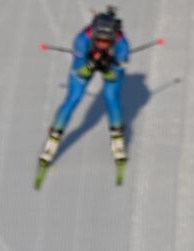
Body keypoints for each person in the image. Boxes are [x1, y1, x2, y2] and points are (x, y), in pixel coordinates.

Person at [39, 6, 130, 169]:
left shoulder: (121, 42)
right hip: (84, 64)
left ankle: (117, 139)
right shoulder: (82, 40)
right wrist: (90, 64)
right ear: (94, 35)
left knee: (111, 97)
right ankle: (53, 138)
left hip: (110, 66)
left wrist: (108, 67)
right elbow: (79, 71)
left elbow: (117, 72)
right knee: (73, 98)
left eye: (107, 42)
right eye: (99, 41)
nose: (102, 44)